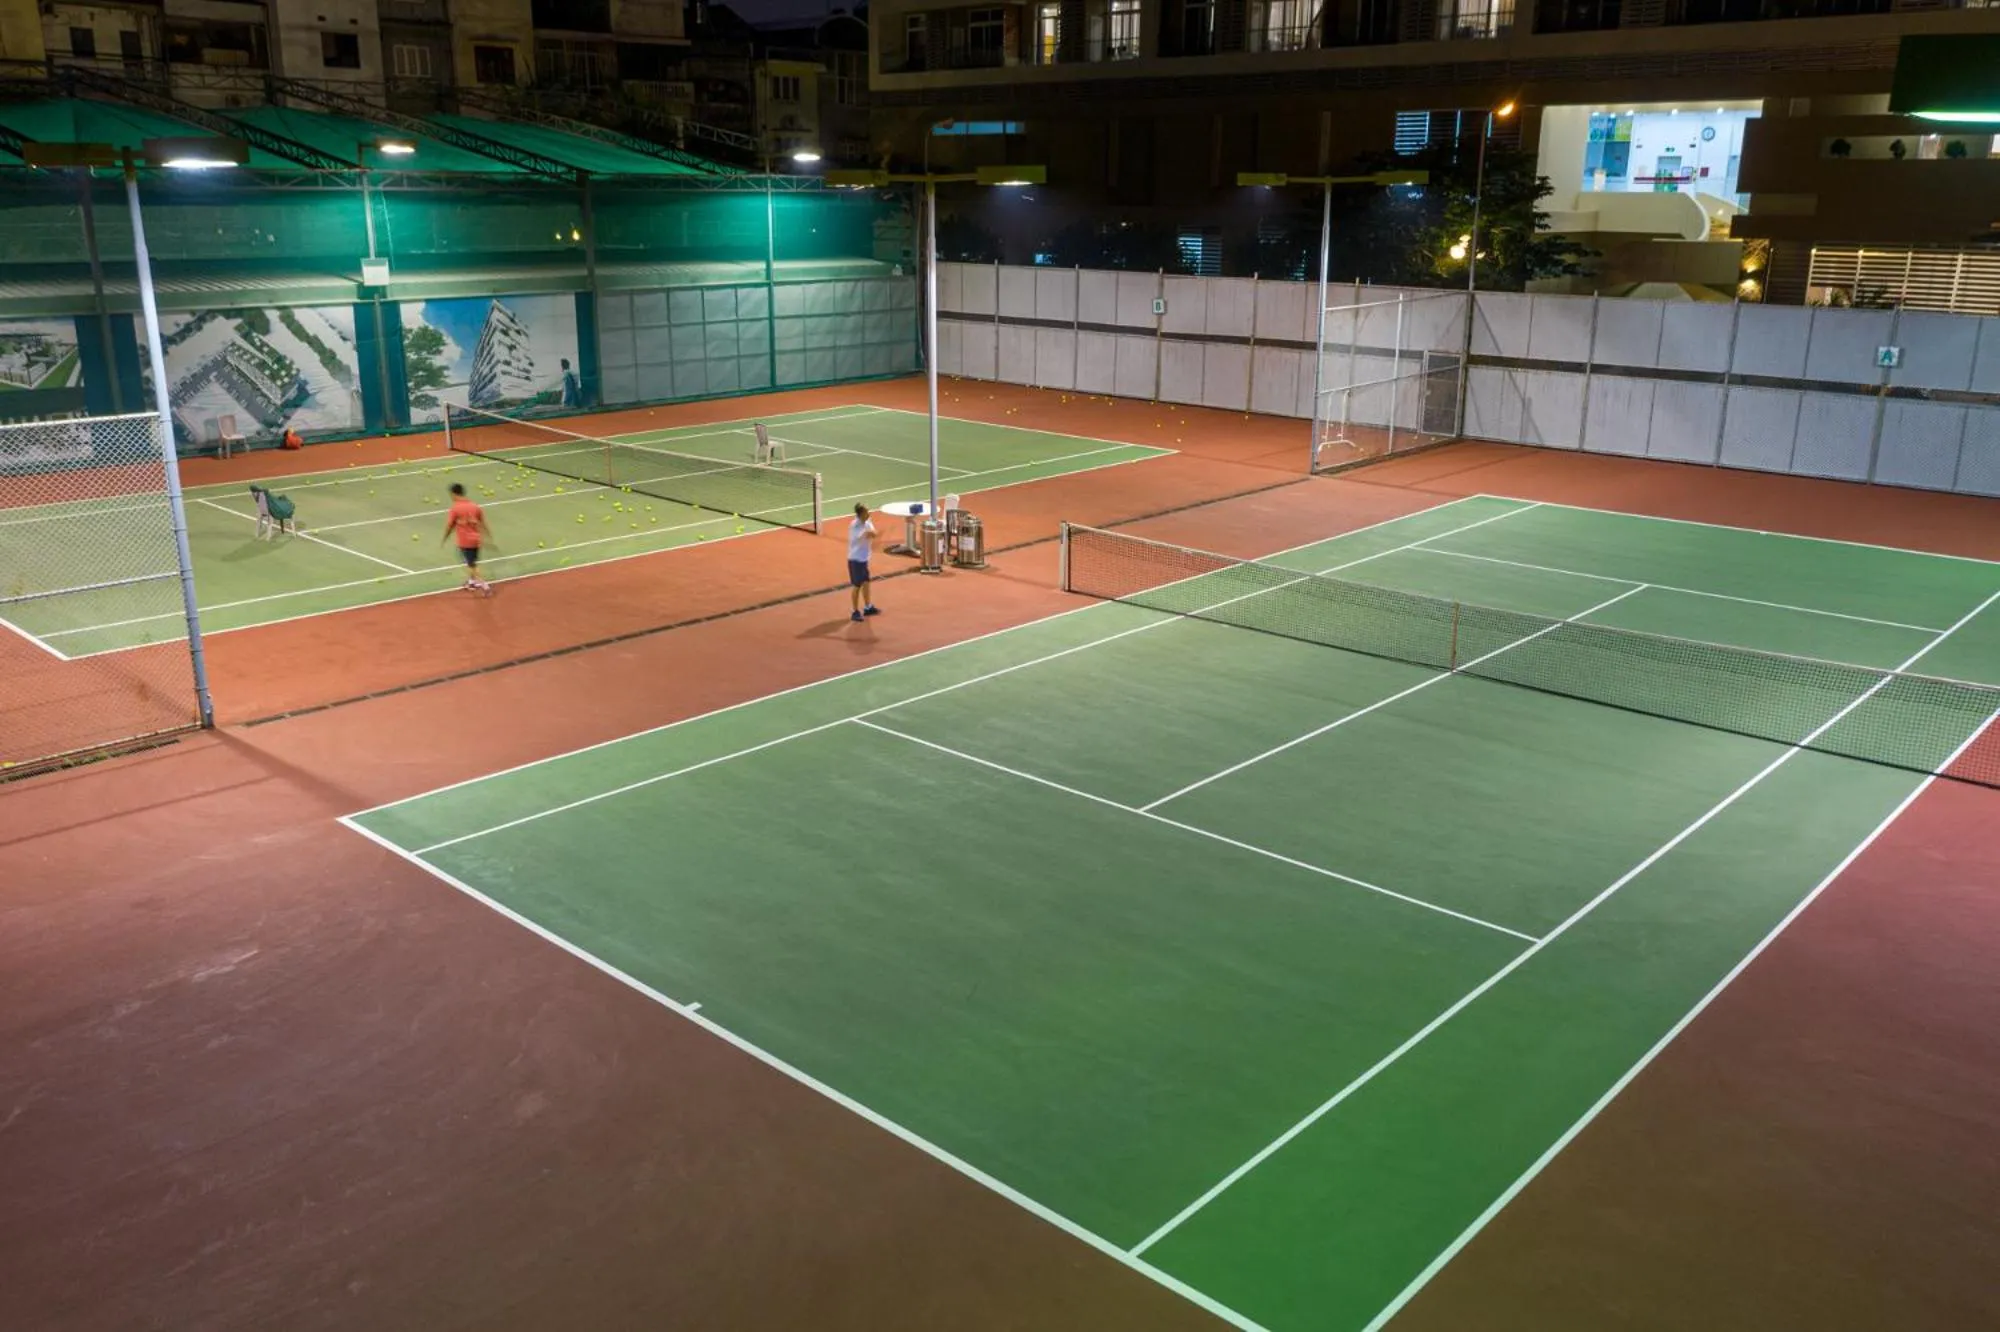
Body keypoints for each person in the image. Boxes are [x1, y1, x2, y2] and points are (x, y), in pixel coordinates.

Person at [442, 482, 493, 595]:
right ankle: (471, 582)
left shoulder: (455, 508)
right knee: (472, 562)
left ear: (454, 494)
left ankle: (485, 586)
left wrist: (444, 538)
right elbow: (483, 523)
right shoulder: (475, 506)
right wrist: (488, 536)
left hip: (465, 542)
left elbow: (450, 526)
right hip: (476, 540)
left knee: (471, 565)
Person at [848, 502, 880, 623]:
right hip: (855, 560)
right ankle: (854, 611)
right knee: (857, 585)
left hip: (864, 558)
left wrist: (871, 533)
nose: (869, 513)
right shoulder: (854, 526)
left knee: (866, 582)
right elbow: (858, 538)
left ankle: (868, 607)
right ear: (860, 514)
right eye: (867, 511)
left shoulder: (868, 521)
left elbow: (873, 533)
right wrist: (868, 534)